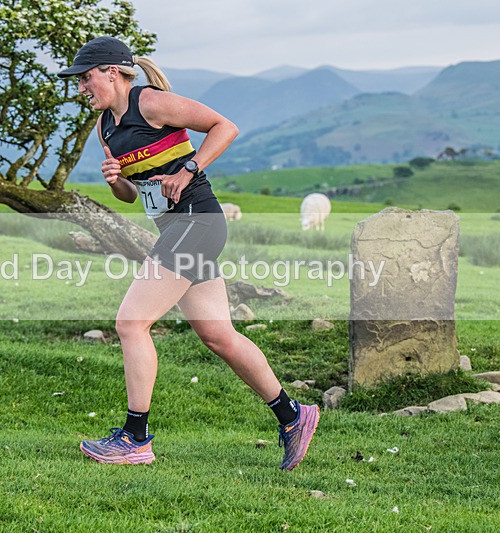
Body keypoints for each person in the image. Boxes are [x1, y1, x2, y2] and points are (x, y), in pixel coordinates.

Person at [58, 36, 319, 470]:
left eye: (86, 78)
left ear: (112, 73)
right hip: (182, 228)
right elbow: (130, 196)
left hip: (196, 222)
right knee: (219, 336)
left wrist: (189, 169)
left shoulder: (152, 103)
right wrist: (115, 180)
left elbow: (225, 126)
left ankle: (136, 438)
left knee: (131, 322)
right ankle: (293, 416)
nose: (82, 88)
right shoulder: (107, 126)